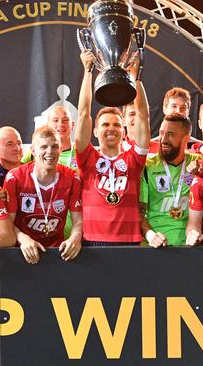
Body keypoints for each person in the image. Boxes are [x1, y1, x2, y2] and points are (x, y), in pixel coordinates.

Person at [74, 50, 150, 246]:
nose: (111, 129)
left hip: (129, 240)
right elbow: (83, 114)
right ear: (95, 132)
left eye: (117, 125)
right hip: (93, 241)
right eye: (105, 125)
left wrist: (136, 76)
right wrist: (87, 72)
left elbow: (142, 115)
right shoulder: (87, 157)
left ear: (124, 131)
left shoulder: (133, 159)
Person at [4, 125, 83, 263]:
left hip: (58, 253)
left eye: (54, 146)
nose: (50, 152)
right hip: (23, 252)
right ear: (33, 151)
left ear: (60, 149)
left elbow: (78, 221)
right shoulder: (15, 178)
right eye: (44, 147)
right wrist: (23, 238)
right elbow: (7, 222)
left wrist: (75, 237)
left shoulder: (72, 178)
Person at [140, 113, 201, 247]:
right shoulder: (147, 166)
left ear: (186, 139)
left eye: (170, 134)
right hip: (155, 247)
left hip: (190, 246)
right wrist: (150, 235)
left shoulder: (199, 165)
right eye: (162, 133)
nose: (163, 139)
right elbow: (139, 212)